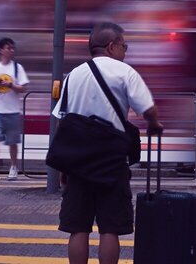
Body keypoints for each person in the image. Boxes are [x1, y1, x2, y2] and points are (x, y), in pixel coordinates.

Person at [53, 21, 163, 264]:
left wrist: (64, 167)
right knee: (109, 229)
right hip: (112, 162)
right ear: (112, 47)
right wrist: (155, 125)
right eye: (125, 46)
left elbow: (63, 124)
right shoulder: (125, 72)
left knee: (78, 228)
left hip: (77, 161)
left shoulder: (74, 75)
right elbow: (148, 108)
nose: (126, 51)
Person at [0, 36, 28, 182]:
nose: (11, 51)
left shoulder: (17, 68)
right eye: (8, 48)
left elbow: (23, 88)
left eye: (12, 48)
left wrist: (11, 86)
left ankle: (13, 167)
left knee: (12, 141)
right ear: (1, 50)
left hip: (13, 110)